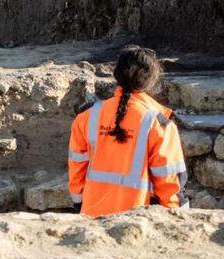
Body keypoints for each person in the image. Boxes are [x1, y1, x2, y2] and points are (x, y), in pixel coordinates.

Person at [67, 46, 187, 217]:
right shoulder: (159, 124)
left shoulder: (86, 117)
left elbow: (77, 167)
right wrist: (176, 218)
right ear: (152, 80)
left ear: (117, 75)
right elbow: (169, 182)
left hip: (91, 216)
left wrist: (79, 203)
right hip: (139, 221)